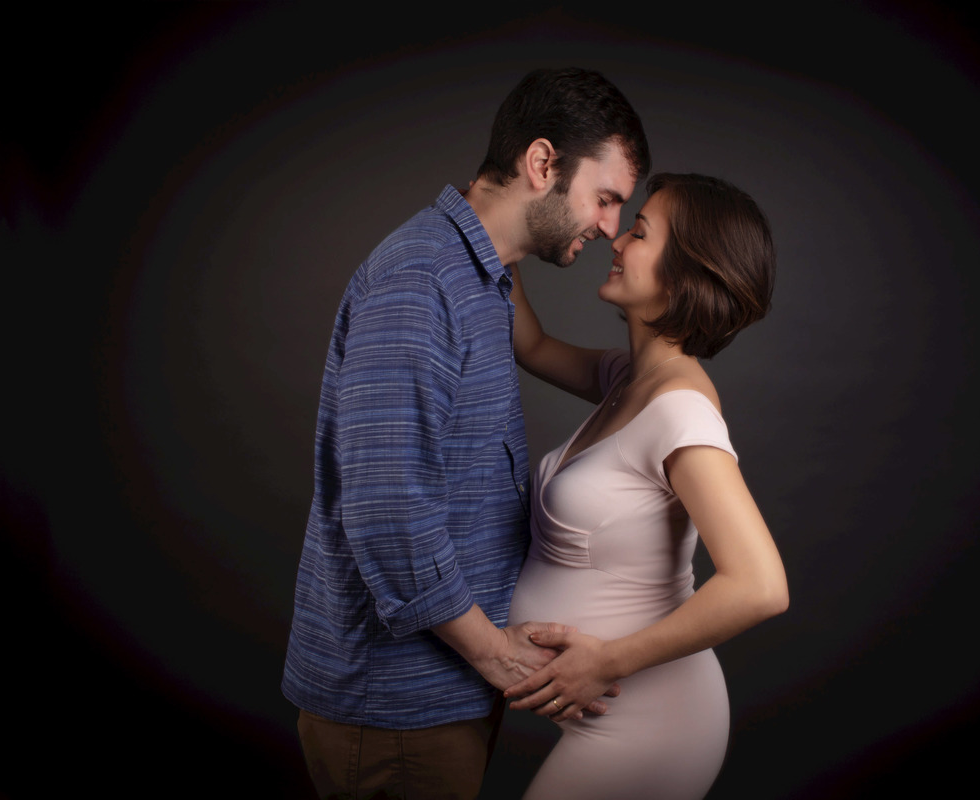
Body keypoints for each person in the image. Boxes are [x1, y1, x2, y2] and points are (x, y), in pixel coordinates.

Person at [281, 67, 650, 799]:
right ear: (542, 164)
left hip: (438, 696)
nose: (610, 226)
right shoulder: (420, 282)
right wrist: (494, 656)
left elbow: (552, 356)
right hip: (397, 705)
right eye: (605, 199)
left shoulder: (484, 276)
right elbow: (388, 510)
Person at [503, 173, 789, 799]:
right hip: (614, 715)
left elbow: (761, 586)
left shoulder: (680, 411)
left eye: (639, 233)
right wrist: (503, 229)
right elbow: (532, 343)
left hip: (654, 721)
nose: (617, 238)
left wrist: (605, 662)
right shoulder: (628, 379)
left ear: (684, 277)